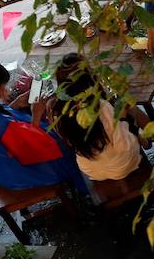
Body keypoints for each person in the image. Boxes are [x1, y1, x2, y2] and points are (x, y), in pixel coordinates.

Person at [0, 62, 86, 192]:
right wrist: (36, 114)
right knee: (66, 149)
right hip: (18, 174)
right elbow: (33, 147)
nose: (5, 89)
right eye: (3, 86)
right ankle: (85, 188)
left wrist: (16, 104)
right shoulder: (1, 124)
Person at [53, 55, 148, 184]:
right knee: (131, 108)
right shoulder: (100, 106)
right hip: (121, 165)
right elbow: (124, 145)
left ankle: (146, 140)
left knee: (120, 121)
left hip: (90, 169)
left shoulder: (59, 110)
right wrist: (123, 119)